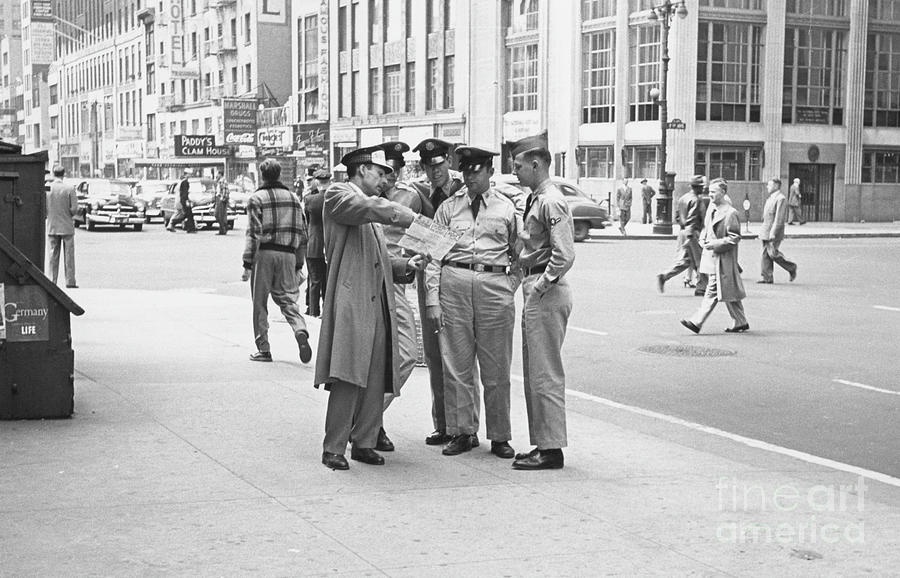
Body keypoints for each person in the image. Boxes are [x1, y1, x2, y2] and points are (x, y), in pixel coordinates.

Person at [315, 145, 425, 471]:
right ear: (361, 170)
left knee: (376, 374)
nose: (383, 181)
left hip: (375, 299)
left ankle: (364, 440)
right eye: (379, 173)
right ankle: (333, 446)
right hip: (351, 300)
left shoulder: (368, 213)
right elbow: (372, 207)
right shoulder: (340, 195)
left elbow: (379, 259)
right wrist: (413, 219)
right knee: (348, 374)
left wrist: (407, 264)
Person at [425, 146, 519, 459]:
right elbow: (433, 257)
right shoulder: (448, 209)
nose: (470, 177)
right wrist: (432, 300)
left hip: (495, 289)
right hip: (454, 287)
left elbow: (521, 255)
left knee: (496, 367)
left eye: (477, 170)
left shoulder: (507, 208)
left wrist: (508, 286)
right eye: (466, 171)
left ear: (490, 172)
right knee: (456, 365)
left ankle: (500, 436)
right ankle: (463, 431)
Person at [508, 133, 576, 470]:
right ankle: (543, 444)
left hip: (546, 290)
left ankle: (551, 449)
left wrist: (541, 285)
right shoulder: (537, 198)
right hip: (535, 284)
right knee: (535, 371)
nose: (516, 172)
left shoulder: (551, 201)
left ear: (536, 164)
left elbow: (564, 255)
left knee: (545, 371)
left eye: (519, 166)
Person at [410, 138, 466, 446]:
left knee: (459, 355)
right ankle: (443, 424)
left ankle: (464, 426)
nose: (435, 174)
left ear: (448, 162)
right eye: (428, 168)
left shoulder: (463, 191)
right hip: (427, 274)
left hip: (457, 274)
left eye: (439, 166)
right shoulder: (420, 194)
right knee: (433, 353)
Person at [241, 158, 312, 364]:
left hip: (264, 254)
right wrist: (298, 263)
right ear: (279, 174)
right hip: (288, 254)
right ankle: (300, 329)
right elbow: (303, 234)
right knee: (288, 299)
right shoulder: (293, 199)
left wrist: (247, 264)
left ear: (262, 175)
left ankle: (263, 349)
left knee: (259, 303)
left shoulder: (256, 198)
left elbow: (253, 234)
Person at [376, 141, 420, 453]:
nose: (389, 178)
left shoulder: (410, 197)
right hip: (365, 283)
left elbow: (430, 232)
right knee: (370, 360)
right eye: (384, 171)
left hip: (396, 281)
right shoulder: (359, 198)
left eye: (395, 171)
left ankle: (367, 416)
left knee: (405, 354)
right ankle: (372, 426)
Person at [680, 179, 749, 334]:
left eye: (713, 192)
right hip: (712, 257)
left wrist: (715, 243)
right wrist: (703, 238)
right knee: (727, 290)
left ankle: (696, 322)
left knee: (713, 290)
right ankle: (740, 321)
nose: (710, 194)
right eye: (709, 191)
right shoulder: (712, 208)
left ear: (723, 193)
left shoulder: (731, 213)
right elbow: (707, 227)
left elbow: (734, 237)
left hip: (722, 259)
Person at [656, 175, 704, 294]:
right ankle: (701, 287)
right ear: (697, 187)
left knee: (685, 261)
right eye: (701, 187)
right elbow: (692, 219)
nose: (703, 189)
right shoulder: (696, 200)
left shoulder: (683, 198)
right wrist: (691, 235)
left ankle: (665, 276)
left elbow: (677, 216)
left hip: (683, 231)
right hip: (691, 233)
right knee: (700, 260)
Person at [758, 177, 798, 284]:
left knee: (772, 253)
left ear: (776, 186)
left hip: (773, 231)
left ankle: (791, 267)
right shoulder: (771, 198)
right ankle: (767, 277)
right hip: (766, 229)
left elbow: (779, 218)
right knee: (765, 254)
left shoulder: (781, 198)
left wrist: (773, 232)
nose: (767, 187)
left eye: (769, 185)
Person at [46, 165, 79, 288]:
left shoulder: (48, 188)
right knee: (69, 255)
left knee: (52, 255)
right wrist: (69, 213)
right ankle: (70, 281)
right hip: (67, 226)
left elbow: (44, 209)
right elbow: (74, 209)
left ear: (54, 174)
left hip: (52, 226)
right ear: (64, 174)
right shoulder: (70, 188)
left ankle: (51, 281)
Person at [304, 168, 330, 318]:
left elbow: (308, 222)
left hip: (314, 245)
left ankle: (313, 311)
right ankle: (326, 311)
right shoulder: (334, 198)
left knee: (314, 281)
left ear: (317, 182)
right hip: (330, 245)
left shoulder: (310, 200)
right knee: (327, 280)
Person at [167, 168, 197, 233]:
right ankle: (173, 223)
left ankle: (190, 228)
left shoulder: (181, 182)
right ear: (186, 174)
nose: (190, 175)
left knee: (187, 215)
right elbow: (184, 193)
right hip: (183, 201)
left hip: (181, 200)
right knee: (187, 215)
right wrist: (186, 201)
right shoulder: (185, 182)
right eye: (189, 174)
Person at [214, 169, 230, 235]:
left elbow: (224, 190)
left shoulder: (222, 181)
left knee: (219, 215)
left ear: (220, 174)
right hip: (219, 198)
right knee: (219, 215)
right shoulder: (219, 181)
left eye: (217, 174)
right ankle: (223, 228)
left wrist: (222, 198)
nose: (216, 175)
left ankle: (223, 228)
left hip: (221, 199)